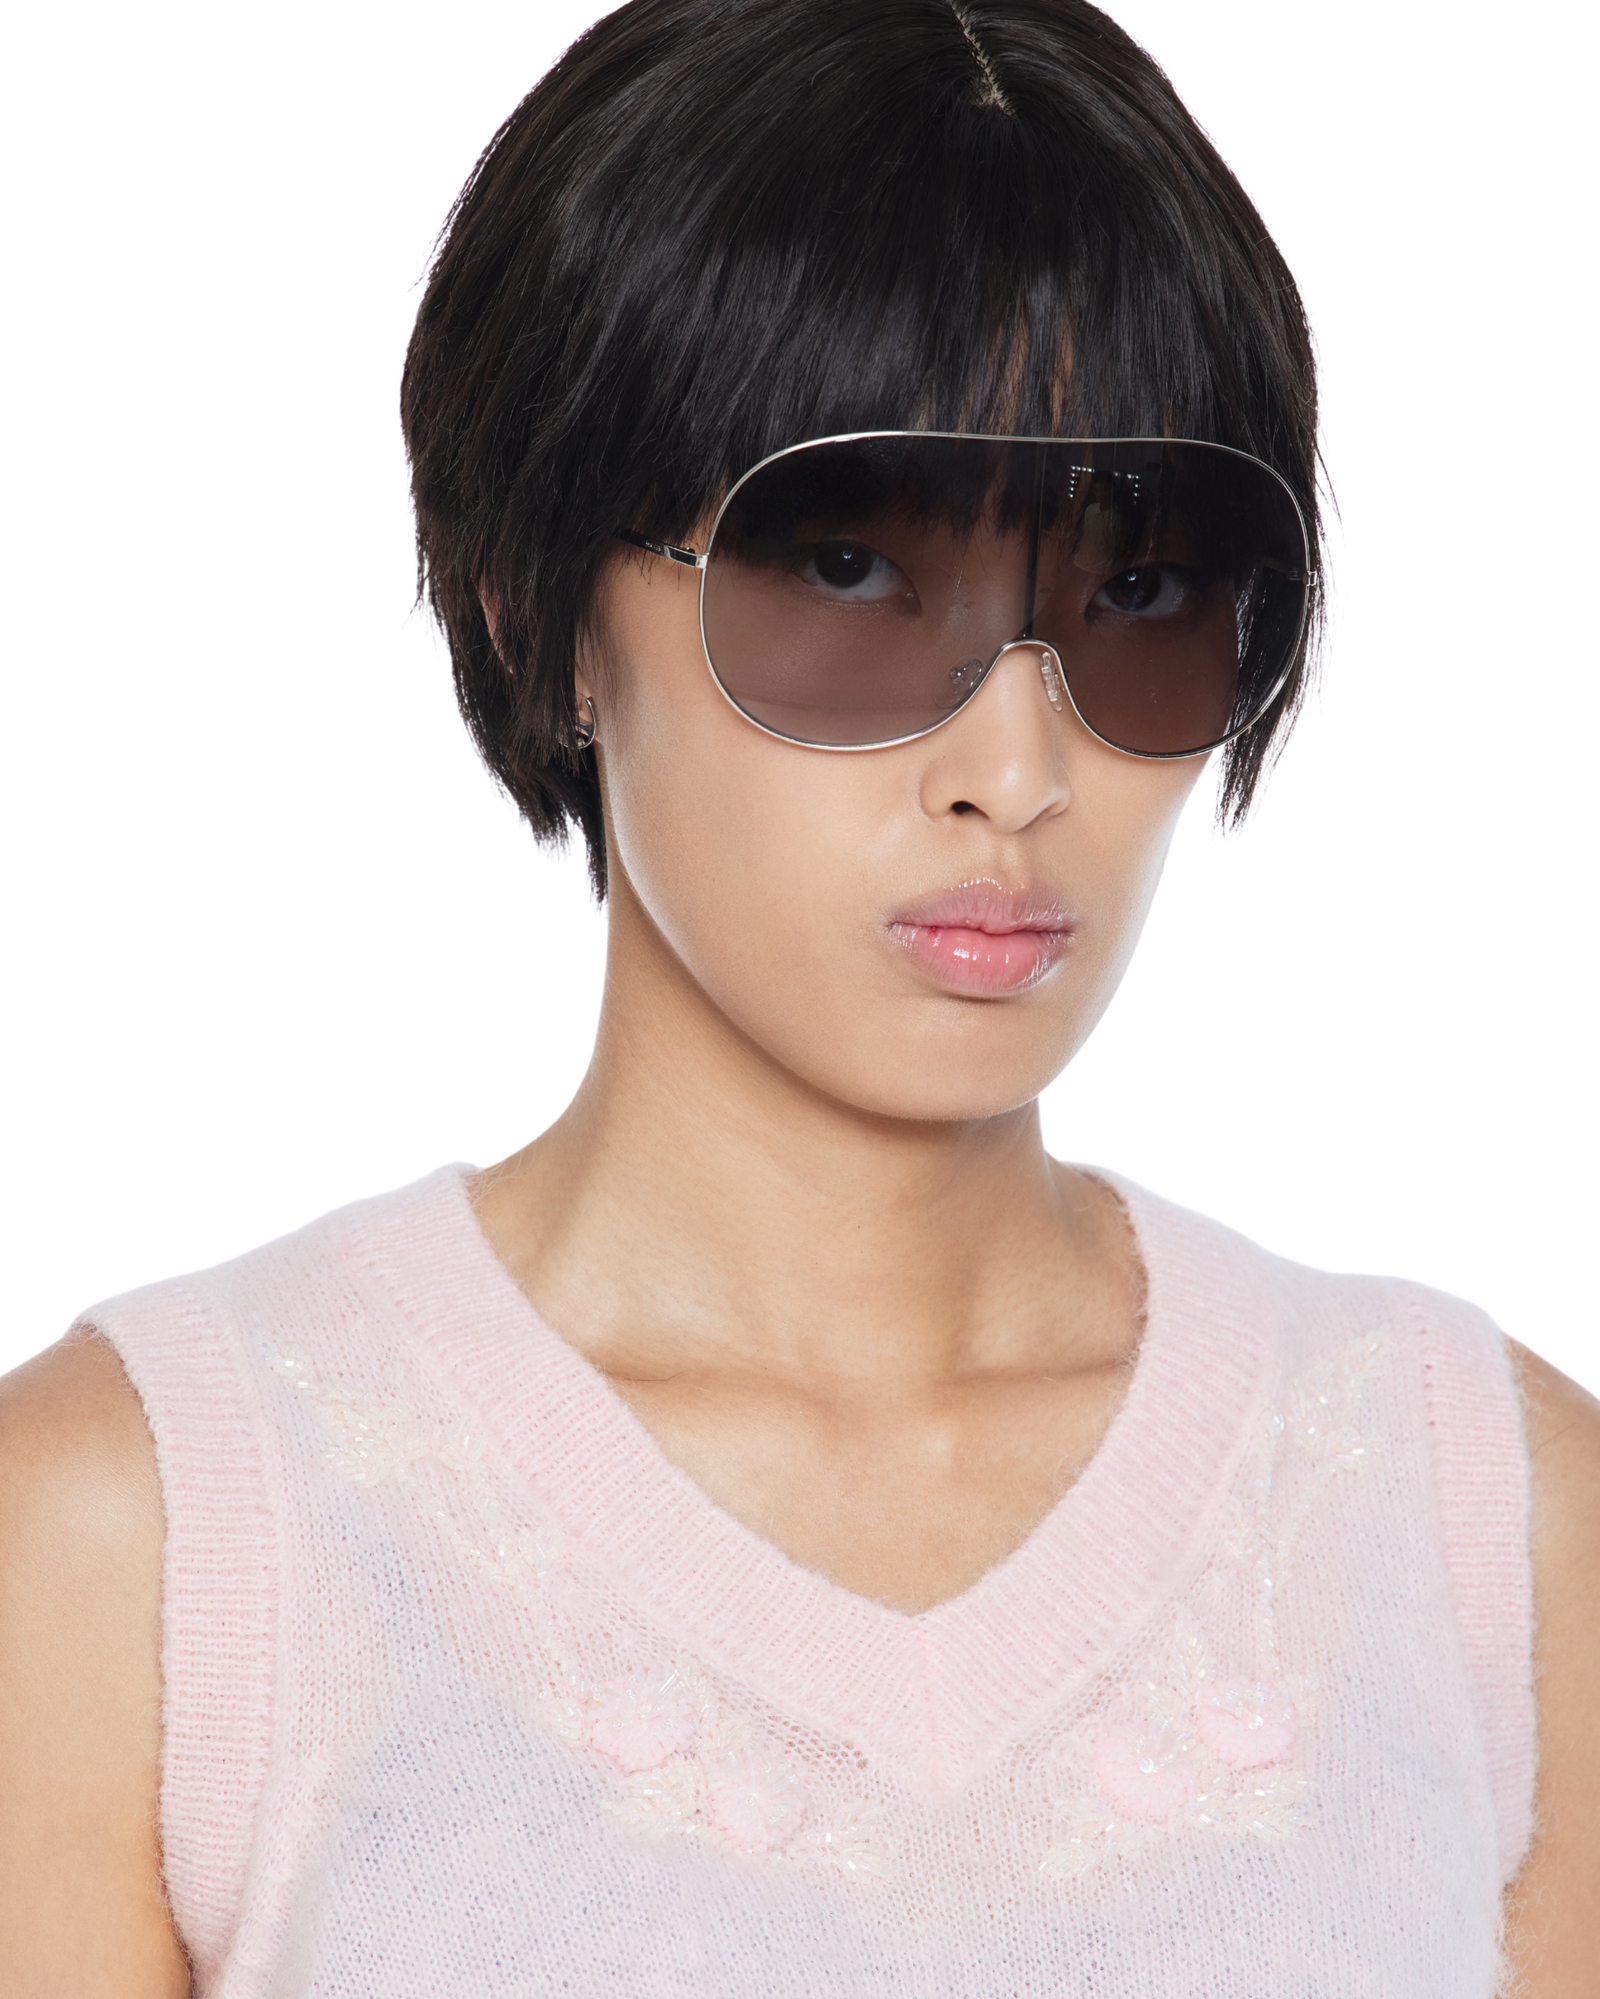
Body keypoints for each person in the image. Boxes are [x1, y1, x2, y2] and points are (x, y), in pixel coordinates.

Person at [2, 0, 1595, 1992]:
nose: (1015, 768)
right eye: (846, 570)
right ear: (534, 607)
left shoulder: (1481, 1520)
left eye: (1139, 592)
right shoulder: (145, 1539)